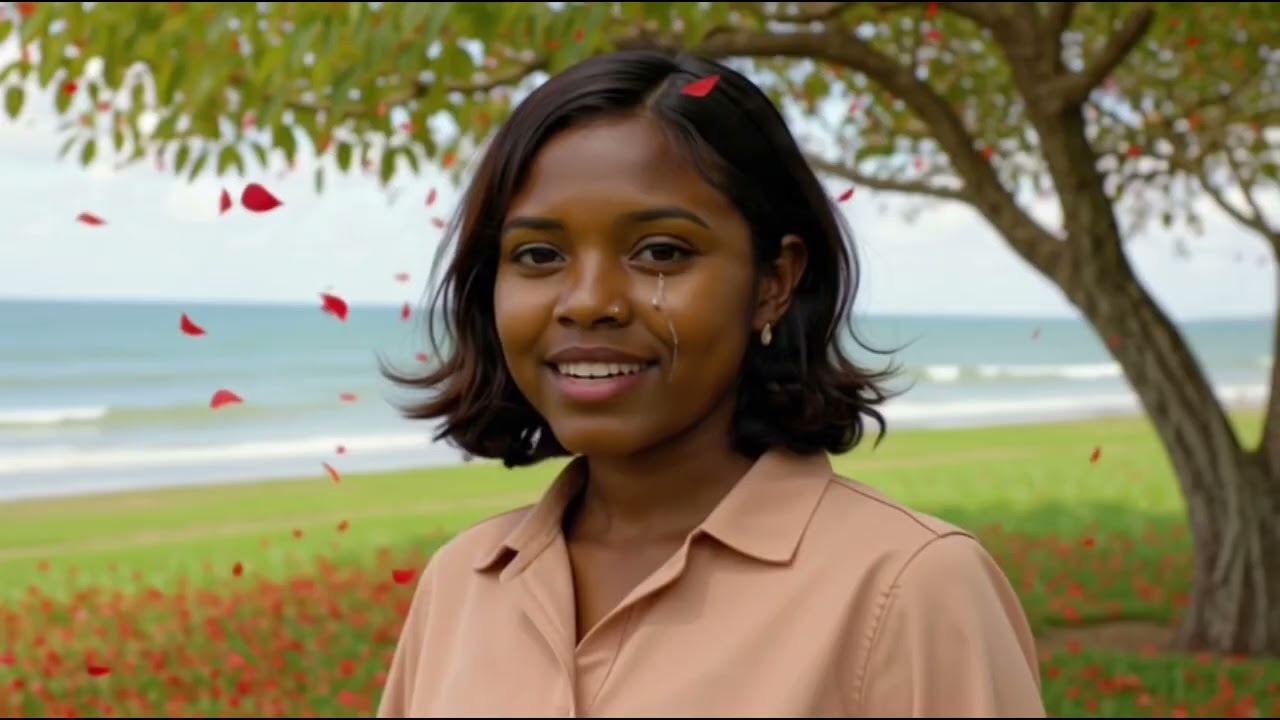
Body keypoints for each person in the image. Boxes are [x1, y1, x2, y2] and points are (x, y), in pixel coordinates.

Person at [377, 49, 1046, 718]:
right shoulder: (461, 586)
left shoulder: (909, 587)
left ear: (774, 283)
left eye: (661, 252)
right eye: (539, 255)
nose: (586, 302)